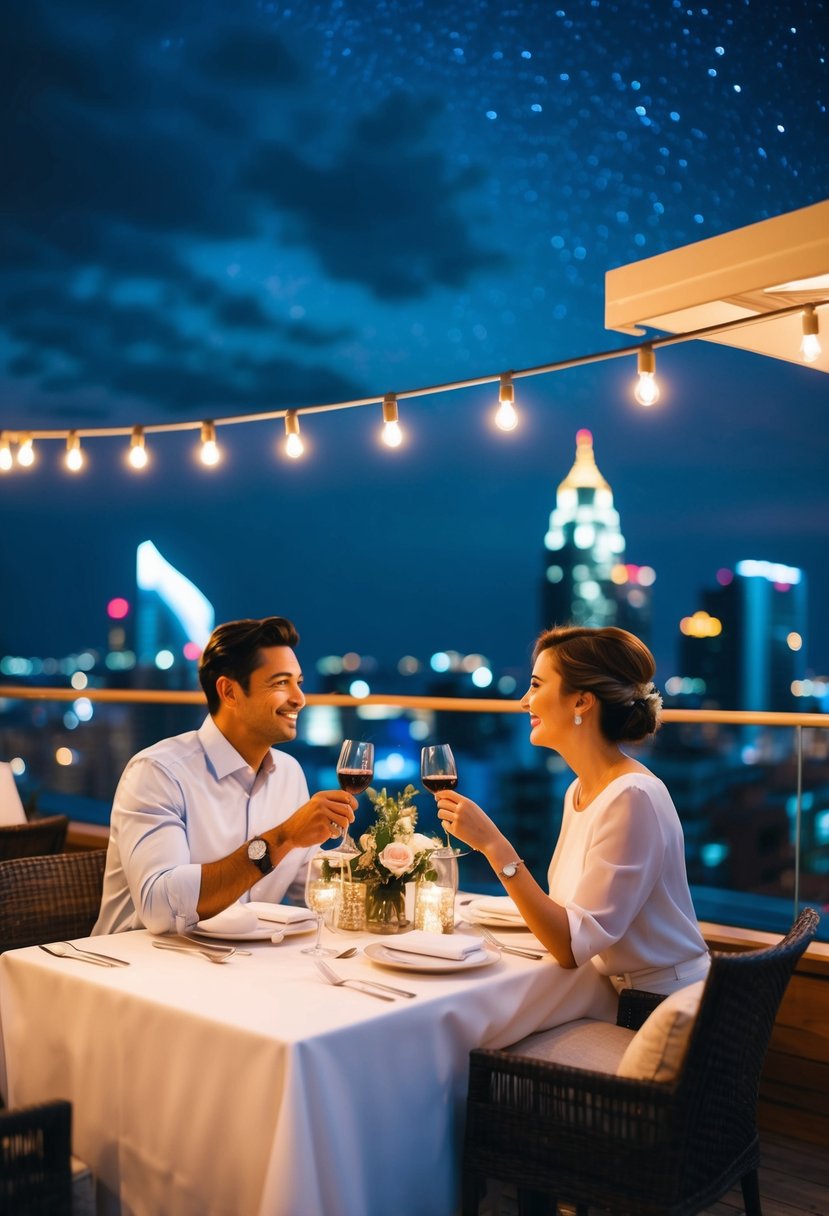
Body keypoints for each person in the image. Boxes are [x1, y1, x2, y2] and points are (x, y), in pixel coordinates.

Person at [437, 625, 710, 996]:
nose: (523, 701)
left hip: (657, 1007)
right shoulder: (579, 790)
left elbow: (569, 946)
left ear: (581, 702)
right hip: (607, 992)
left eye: (535, 685)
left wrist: (492, 844)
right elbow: (573, 921)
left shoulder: (631, 796)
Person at [93, 616, 356, 935]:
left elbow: (314, 892)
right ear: (229, 692)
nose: (299, 698)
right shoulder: (158, 773)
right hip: (135, 967)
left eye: (298, 682)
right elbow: (161, 908)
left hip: (237, 966)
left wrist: (394, 867)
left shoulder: (289, 773)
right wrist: (283, 837)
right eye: (280, 682)